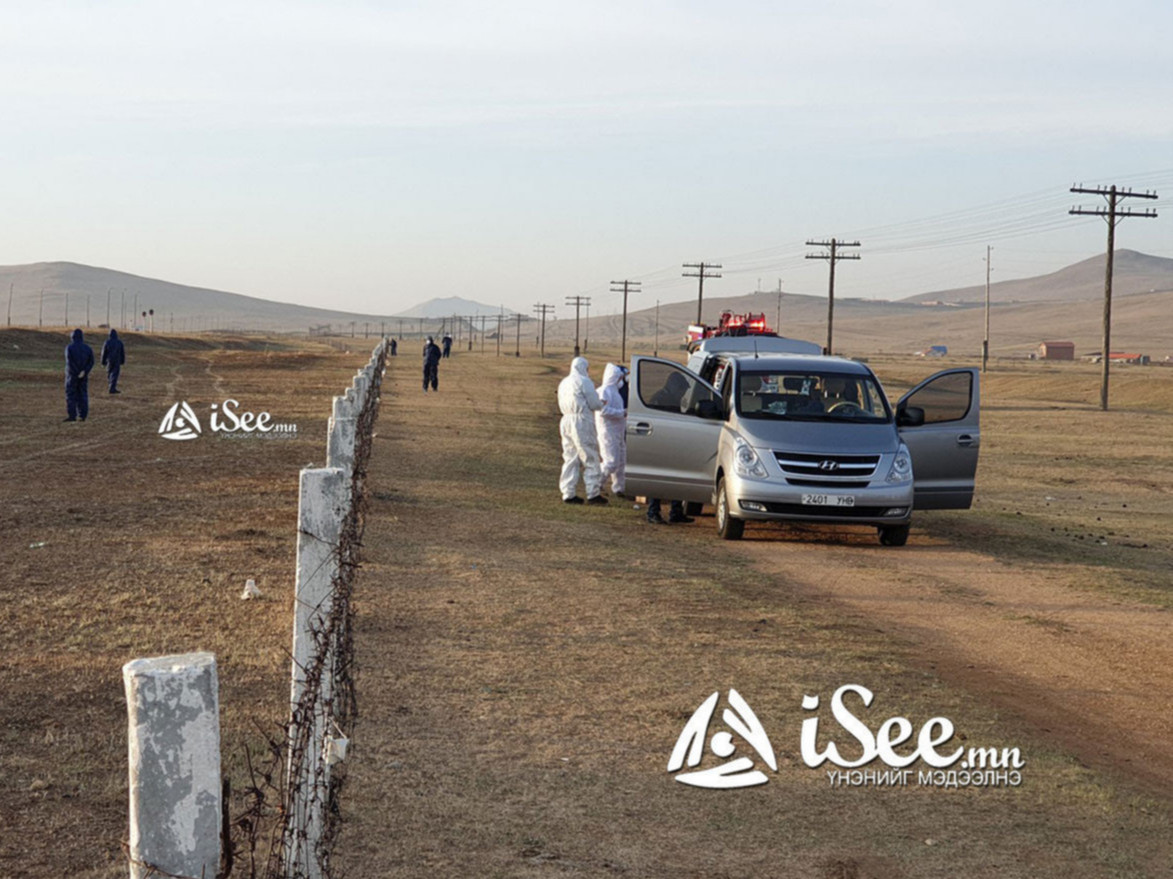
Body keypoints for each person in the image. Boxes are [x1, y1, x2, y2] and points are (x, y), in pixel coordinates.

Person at [558, 356, 606, 505]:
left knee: (570, 456)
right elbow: (594, 403)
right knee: (590, 455)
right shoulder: (585, 382)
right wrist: (601, 403)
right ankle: (593, 493)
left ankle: (568, 493)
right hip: (581, 421)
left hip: (566, 420)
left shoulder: (564, 382)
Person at [595, 363, 628, 497]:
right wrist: (622, 413)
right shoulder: (604, 391)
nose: (621, 381)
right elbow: (603, 410)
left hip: (618, 431)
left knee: (621, 461)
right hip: (608, 432)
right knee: (611, 462)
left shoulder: (615, 392)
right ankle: (596, 484)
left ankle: (619, 488)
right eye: (620, 378)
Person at [64, 328, 94, 422]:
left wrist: (76, 372)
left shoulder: (69, 347)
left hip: (72, 375)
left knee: (71, 394)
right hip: (83, 376)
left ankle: (72, 415)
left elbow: (69, 362)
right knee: (83, 394)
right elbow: (91, 361)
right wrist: (84, 371)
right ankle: (83, 415)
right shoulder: (88, 348)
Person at [100, 328, 125, 394]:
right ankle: (112, 388)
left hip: (109, 361)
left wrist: (102, 362)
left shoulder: (107, 342)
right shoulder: (119, 342)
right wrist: (122, 361)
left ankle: (111, 386)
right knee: (115, 374)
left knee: (109, 373)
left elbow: (104, 353)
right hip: (117, 360)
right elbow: (122, 353)